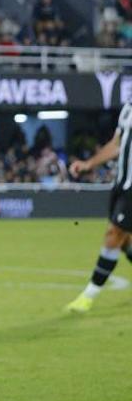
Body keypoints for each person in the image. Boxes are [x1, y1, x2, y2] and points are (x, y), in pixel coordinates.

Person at [65, 102, 132, 313]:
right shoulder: (128, 108)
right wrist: (88, 164)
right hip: (121, 184)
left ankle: (88, 296)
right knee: (125, 241)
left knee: (114, 234)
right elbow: (116, 144)